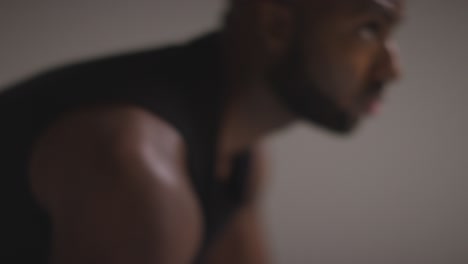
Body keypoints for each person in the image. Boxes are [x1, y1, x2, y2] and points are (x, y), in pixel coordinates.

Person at [0, 0, 404, 263]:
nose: (393, 68)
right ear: (276, 24)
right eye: (369, 29)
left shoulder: (237, 152)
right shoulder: (138, 168)